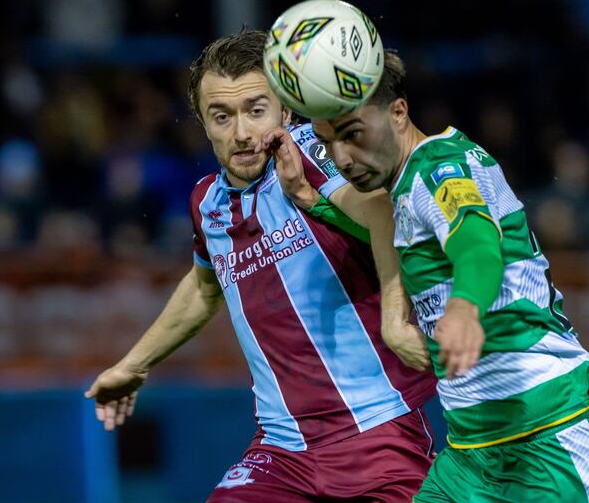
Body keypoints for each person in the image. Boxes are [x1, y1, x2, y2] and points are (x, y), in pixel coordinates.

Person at [84, 31, 437, 502]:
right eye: (222, 117)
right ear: (203, 124)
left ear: (286, 110)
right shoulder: (206, 202)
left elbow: (380, 209)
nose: (242, 133)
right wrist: (134, 365)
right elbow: (206, 287)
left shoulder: (313, 150)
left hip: (376, 431)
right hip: (282, 449)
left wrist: (395, 320)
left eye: (256, 109)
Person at [300, 51, 589, 502]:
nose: (341, 157)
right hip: (470, 457)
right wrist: (311, 197)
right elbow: (391, 229)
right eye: (328, 143)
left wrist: (464, 307)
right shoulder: (404, 188)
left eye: (353, 134)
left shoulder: (442, 165)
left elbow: (477, 242)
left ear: (398, 112)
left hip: (550, 444)